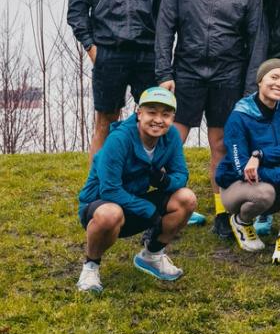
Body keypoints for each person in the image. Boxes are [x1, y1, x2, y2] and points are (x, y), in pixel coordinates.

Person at [154, 0, 266, 237]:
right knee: (171, 141)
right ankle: (168, 201)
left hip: (228, 76)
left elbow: (257, 40)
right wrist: (164, 73)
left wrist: (249, 89)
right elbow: (164, 30)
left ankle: (221, 212)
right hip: (185, 73)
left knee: (220, 145)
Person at [68, 0, 168, 160]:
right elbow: (77, 10)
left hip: (147, 53)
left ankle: (151, 181)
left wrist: (162, 52)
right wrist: (91, 47)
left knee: (152, 119)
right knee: (106, 121)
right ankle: (96, 188)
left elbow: (165, 13)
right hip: (108, 52)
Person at [76, 87, 197, 293]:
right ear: (139, 113)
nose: (158, 120)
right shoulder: (119, 139)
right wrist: (148, 210)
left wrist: (164, 181)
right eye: (152, 112)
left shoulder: (172, 136)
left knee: (186, 198)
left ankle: (152, 256)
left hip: (135, 200)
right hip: (100, 205)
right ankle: (91, 267)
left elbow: (181, 175)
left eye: (166, 115)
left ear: (172, 118)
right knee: (110, 213)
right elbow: (110, 190)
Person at [216, 59, 280, 264]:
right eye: (273, 77)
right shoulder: (239, 115)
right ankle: (241, 221)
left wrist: (259, 155)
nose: (279, 84)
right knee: (266, 193)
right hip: (237, 186)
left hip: (268, 173)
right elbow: (242, 170)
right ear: (259, 81)